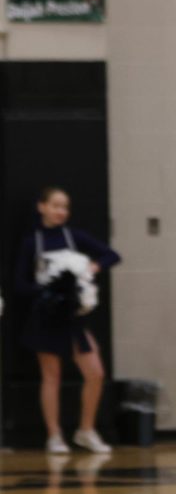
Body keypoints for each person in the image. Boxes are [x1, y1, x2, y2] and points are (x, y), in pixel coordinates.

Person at [14, 186, 120, 454]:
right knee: (52, 376)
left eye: (65, 207)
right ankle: (54, 435)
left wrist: (90, 268)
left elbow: (112, 255)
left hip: (73, 318)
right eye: (55, 206)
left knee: (95, 373)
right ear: (42, 207)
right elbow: (20, 284)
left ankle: (86, 430)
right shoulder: (32, 242)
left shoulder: (74, 237)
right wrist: (49, 290)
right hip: (47, 316)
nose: (61, 211)